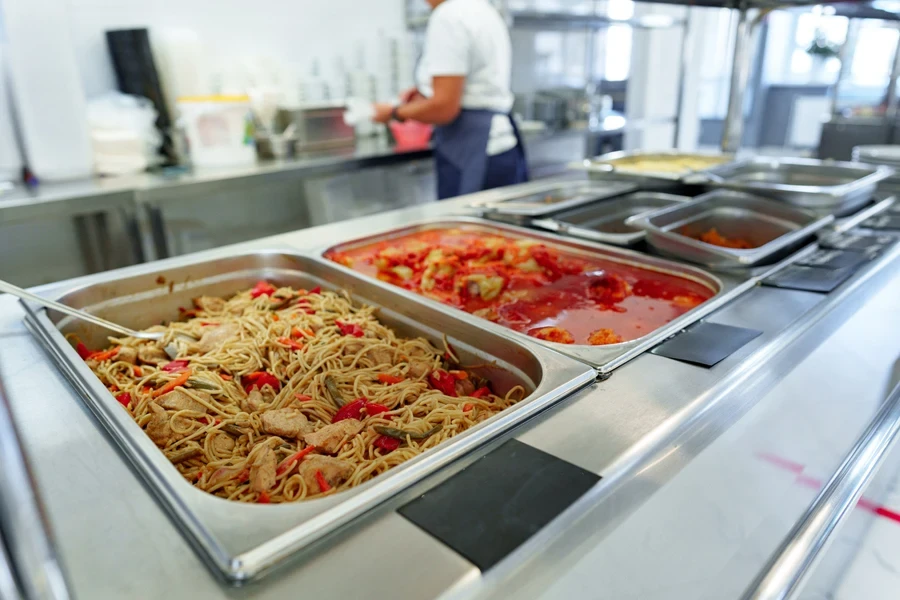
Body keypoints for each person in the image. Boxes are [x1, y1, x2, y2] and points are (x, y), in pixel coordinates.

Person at [372, 0, 528, 200]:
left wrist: (393, 112)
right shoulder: (483, 9)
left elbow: (444, 108)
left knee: (463, 229)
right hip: (501, 148)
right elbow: (471, 85)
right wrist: (424, 93)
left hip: (473, 152)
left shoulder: (448, 17)